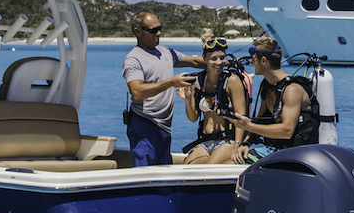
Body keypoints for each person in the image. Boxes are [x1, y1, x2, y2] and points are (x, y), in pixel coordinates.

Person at [122, 11, 204, 166]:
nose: (159, 33)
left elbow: (194, 61)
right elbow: (137, 92)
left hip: (165, 128)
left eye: (160, 28)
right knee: (145, 175)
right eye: (153, 30)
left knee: (162, 173)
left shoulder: (166, 52)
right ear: (138, 32)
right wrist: (171, 82)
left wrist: (221, 62)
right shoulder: (133, 59)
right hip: (144, 125)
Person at [223, 36, 320, 162]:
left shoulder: (292, 90)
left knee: (230, 163)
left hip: (297, 155)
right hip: (276, 149)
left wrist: (249, 126)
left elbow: (287, 131)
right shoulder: (266, 85)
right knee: (229, 160)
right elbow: (260, 119)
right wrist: (246, 143)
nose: (251, 63)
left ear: (263, 60)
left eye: (253, 59)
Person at [179, 37, 253, 165]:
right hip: (205, 141)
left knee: (208, 170)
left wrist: (237, 146)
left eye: (222, 58)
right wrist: (187, 100)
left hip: (227, 141)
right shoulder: (198, 81)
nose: (219, 62)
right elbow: (193, 118)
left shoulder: (232, 81)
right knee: (187, 168)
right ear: (204, 59)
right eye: (214, 59)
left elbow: (241, 118)